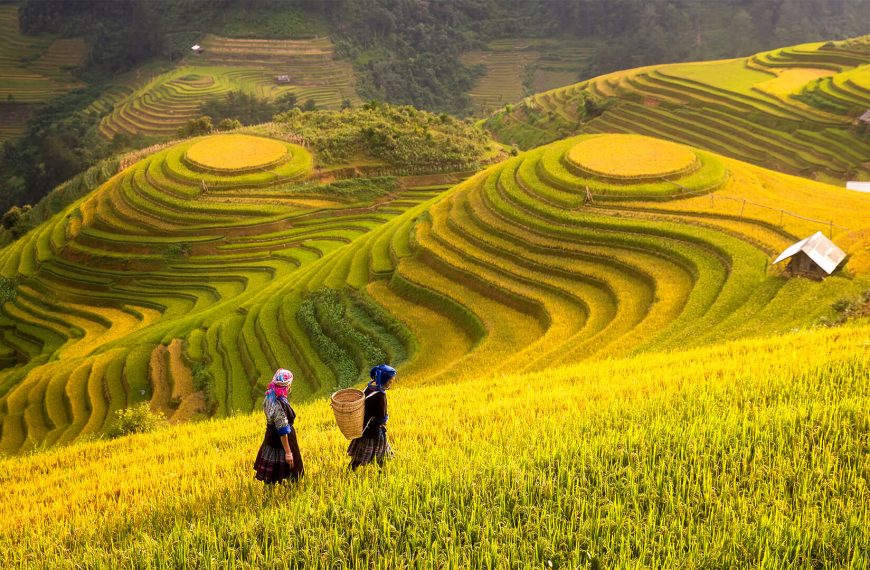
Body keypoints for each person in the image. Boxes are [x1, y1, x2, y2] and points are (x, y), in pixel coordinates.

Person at [253, 368, 304, 484]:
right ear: (287, 386)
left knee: (271, 473)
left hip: (270, 437)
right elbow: (283, 430)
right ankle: (292, 492)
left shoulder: (269, 397)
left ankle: (271, 492)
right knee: (294, 471)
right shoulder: (280, 403)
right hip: (282, 439)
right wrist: (288, 452)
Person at [348, 364, 396, 470]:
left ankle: (351, 469)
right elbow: (382, 417)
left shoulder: (368, 388)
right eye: (390, 381)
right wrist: (385, 420)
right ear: (383, 380)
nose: (391, 384)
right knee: (380, 453)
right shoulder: (380, 396)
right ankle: (381, 473)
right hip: (374, 431)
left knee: (360, 454)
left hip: (363, 427)